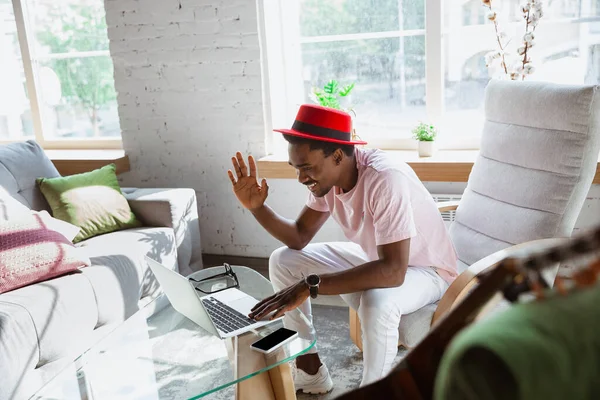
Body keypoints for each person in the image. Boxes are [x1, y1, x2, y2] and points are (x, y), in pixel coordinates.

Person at [227, 104, 458, 393]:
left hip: (428, 271)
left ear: (337, 155)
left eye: (307, 167)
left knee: (377, 301)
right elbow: (299, 236)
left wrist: (311, 285)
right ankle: (309, 369)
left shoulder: (385, 179)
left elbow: (393, 272)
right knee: (282, 260)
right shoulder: (329, 180)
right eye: (296, 168)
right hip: (378, 257)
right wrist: (257, 208)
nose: (301, 178)